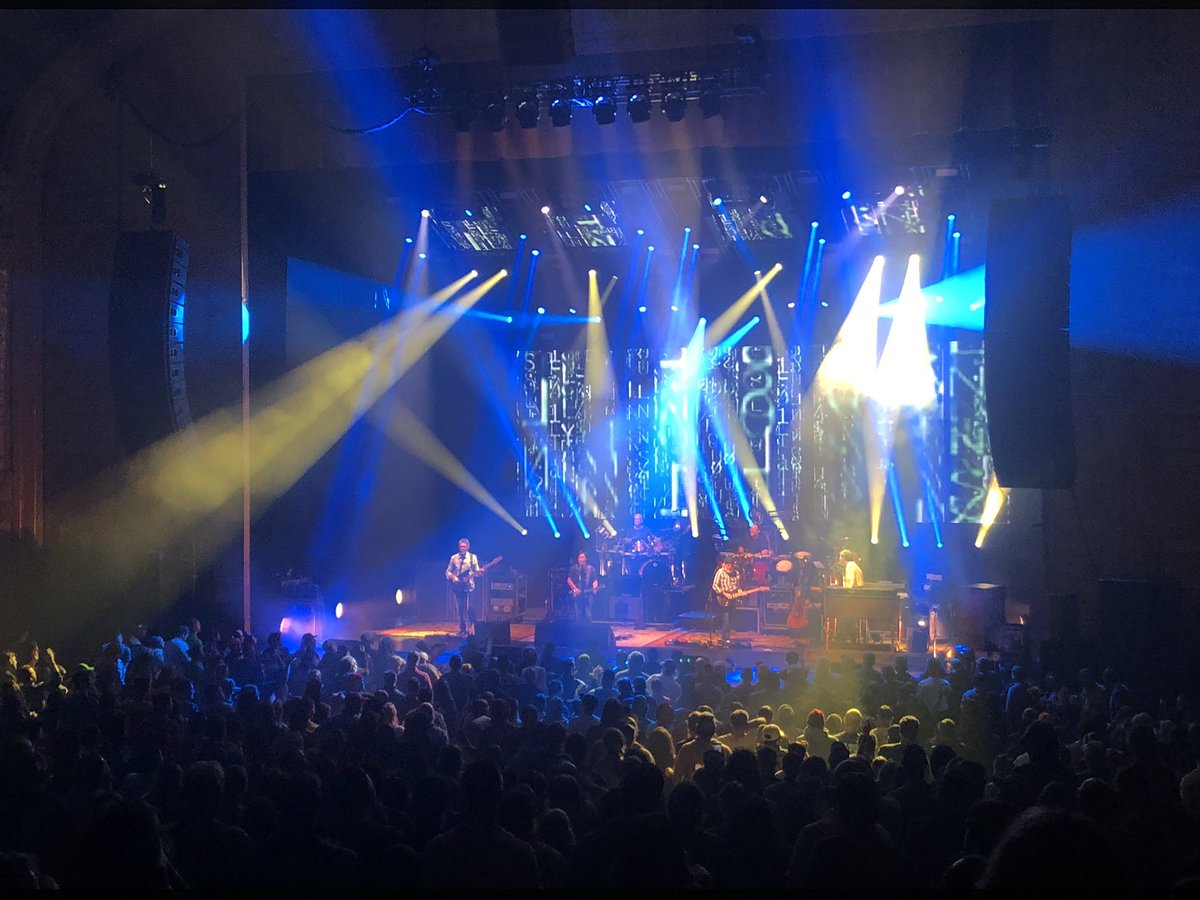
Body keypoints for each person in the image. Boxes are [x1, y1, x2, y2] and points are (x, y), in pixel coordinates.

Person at [446, 538, 481, 637]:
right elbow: (448, 571)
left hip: (469, 586)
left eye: (464, 547)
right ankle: (462, 629)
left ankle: (471, 629)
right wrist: (453, 577)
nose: (462, 548)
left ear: (468, 547)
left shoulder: (472, 557)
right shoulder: (454, 558)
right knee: (460, 609)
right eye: (461, 546)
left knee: (470, 608)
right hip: (458, 586)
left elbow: (476, 571)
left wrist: (479, 572)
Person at [710, 558, 742, 645]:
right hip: (723, 597)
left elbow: (738, 586)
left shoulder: (736, 573)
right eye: (727, 564)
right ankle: (725, 639)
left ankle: (726, 636)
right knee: (726, 618)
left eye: (731, 564)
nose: (729, 566)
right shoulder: (720, 572)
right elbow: (715, 585)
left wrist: (740, 592)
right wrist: (724, 593)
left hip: (733, 597)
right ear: (724, 564)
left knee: (731, 618)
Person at [566, 552, 598, 621]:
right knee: (578, 614)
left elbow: (595, 580)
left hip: (588, 594)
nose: (581, 559)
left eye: (582, 557)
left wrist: (595, 586)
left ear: (586, 558)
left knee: (588, 613)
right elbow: (569, 580)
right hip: (578, 594)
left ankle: (589, 630)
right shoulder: (574, 568)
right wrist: (575, 588)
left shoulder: (591, 569)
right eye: (579, 557)